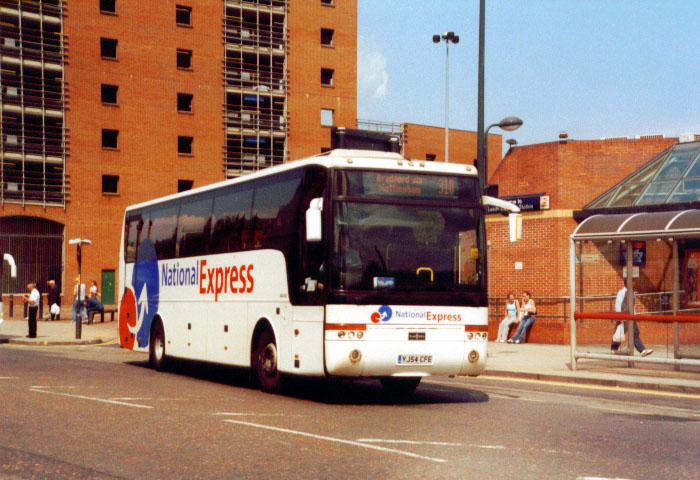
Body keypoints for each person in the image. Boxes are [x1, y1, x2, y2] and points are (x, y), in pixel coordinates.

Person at [611, 279, 653, 357]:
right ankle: (614, 349)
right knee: (619, 333)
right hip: (623, 317)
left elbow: (632, 306)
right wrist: (619, 316)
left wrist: (635, 316)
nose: (634, 283)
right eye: (633, 282)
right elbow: (618, 304)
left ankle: (642, 350)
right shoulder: (621, 292)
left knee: (635, 333)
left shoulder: (633, 293)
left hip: (631, 317)